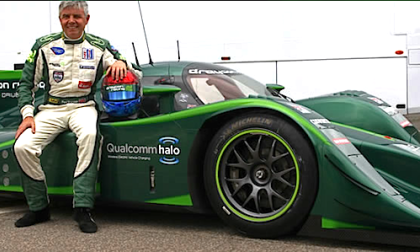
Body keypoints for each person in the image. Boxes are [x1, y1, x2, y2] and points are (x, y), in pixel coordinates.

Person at [13, 1, 142, 233]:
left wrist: (122, 63)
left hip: (84, 106)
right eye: (66, 16)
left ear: (86, 19)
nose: (71, 21)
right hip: (51, 109)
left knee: (91, 135)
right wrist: (27, 115)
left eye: (76, 16)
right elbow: (26, 84)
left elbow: (132, 70)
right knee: (22, 146)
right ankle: (39, 207)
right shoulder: (43, 45)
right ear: (60, 19)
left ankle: (83, 207)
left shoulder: (100, 45)